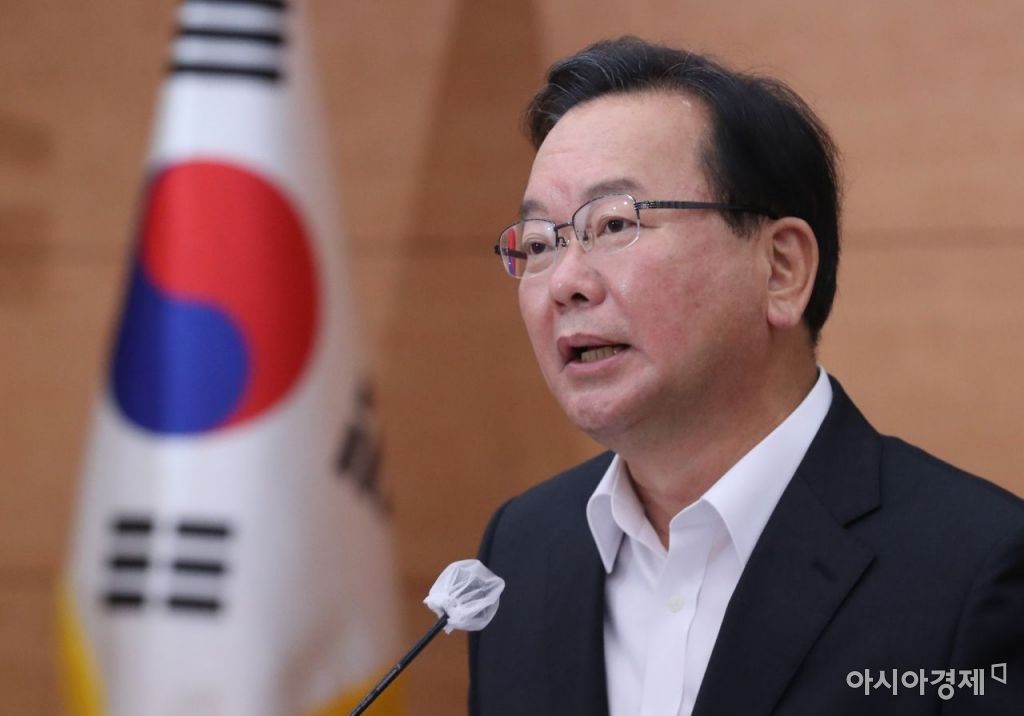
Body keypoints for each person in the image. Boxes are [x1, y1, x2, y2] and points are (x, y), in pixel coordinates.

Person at [468, 37, 1024, 715]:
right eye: (537, 245)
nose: (565, 283)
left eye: (613, 224)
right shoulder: (522, 551)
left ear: (781, 269)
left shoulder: (976, 572)